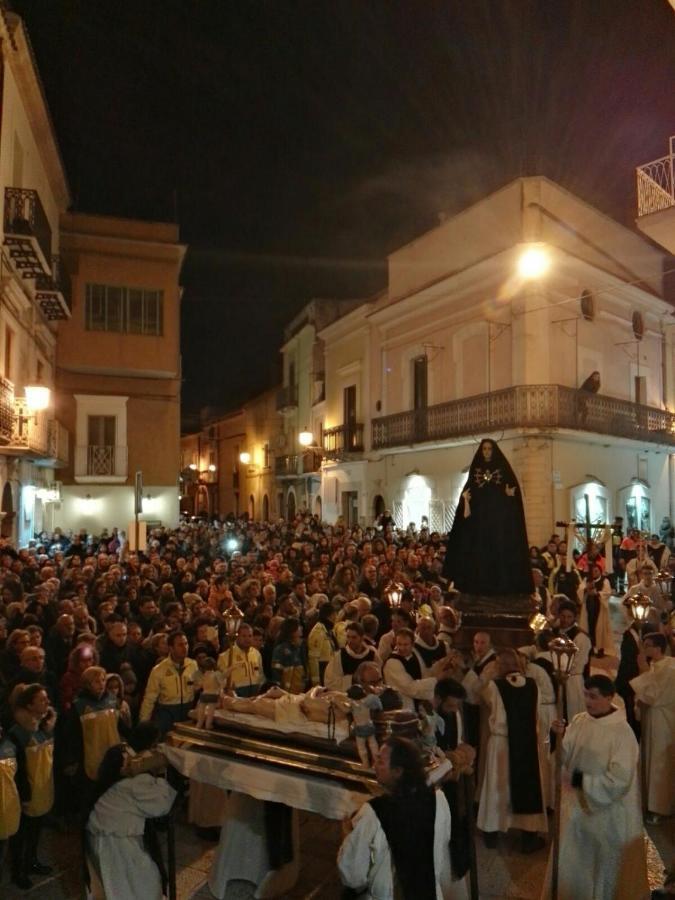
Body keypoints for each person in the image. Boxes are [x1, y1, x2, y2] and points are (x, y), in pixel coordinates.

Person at [542, 675, 649, 900]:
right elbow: (563, 755)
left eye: (594, 697)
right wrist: (556, 736)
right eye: (586, 695)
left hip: (605, 814)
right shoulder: (580, 720)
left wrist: (580, 780)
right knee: (573, 868)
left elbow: (619, 781)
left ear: (610, 697)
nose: (588, 701)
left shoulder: (622, 733)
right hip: (575, 810)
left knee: (598, 874)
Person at [338, 736, 456, 899]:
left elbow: (353, 876)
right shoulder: (439, 799)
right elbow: (442, 846)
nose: (374, 766)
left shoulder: (374, 812)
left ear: (398, 771)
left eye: (380, 762)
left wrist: (347, 836)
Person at [476, 648, 547, 853]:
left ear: (500, 666)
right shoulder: (534, 685)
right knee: (527, 785)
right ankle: (528, 836)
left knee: (496, 786)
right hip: (526, 744)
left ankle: (491, 832)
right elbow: (538, 713)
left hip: (500, 743)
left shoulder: (493, 686)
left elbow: (482, 698)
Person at [442, 438, 533, 596]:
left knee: (499, 556)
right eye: (484, 449)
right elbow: (467, 501)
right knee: (479, 557)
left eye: (489, 449)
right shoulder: (476, 470)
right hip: (479, 527)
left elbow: (512, 499)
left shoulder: (503, 470)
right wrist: (465, 500)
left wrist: (510, 496)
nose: (486, 452)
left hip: (499, 527)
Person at [86, 743, 176, 900]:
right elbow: (161, 804)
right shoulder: (131, 784)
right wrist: (161, 774)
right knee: (138, 881)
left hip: (107, 838)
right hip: (117, 843)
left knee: (117, 883)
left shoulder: (111, 783)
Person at [8, 684, 57, 889]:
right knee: (21, 836)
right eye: (41, 700)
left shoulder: (45, 725)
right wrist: (24, 795)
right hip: (26, 793)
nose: (47, 703)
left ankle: (32, 861)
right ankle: (18, 871)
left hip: (43, 789)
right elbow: (16, 768)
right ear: (29, 705)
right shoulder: (17, 733)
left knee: (36, 831)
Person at [629, 632, 675, 824]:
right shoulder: (655, 665)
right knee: (648, 759)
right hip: (651, 719)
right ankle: (647, 803)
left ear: (658, 647)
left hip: (663, 720)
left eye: (647, 645)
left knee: (659, 763)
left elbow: (652, 695)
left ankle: (660, 807)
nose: (644, 649)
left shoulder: (670, 667)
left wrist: (643, 670)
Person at [139, 631, 198, 734]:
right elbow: (149, 698)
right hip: (167, 714)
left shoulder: (193, 665)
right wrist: (143, 722)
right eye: (180, 645)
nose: (185, 648)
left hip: (188, 712)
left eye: (186, 643)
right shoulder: (159, 670)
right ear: (171, 648)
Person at [555, 602, 591, 720]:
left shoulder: (580, 637)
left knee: (572, 715)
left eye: (569, 617)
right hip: (556, 678)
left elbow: (579, 662)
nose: (565, 620)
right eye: (563, 616)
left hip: (572, 681)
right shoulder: (553, 632)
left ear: (575, 617)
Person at [324, 621, 381, 692]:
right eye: (348, 637)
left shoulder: (372, 655)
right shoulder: (340, 656)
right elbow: (330, 682)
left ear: (362, 638)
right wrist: (352, 679)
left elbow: (379, 679)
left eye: (354, 637)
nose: (350, 641)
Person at [217, 622, 265, 697]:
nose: (247, 639)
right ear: (237, 637)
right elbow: (220, 679)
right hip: (236, 696)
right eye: (244, 636)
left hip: (256, 695)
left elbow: (261, 675)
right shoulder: (226, 656)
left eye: (250, 636)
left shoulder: (256, 654)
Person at [577, 564, 614, 657]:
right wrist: (586, 589)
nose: (594, 573)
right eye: (592, 571)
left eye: (596, 571)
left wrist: (597, 593)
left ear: (600, 571)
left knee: (600, 629)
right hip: (588, 608)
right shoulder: (587, 580)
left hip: (599, 608)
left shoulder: (604, 581)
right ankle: (590, 649)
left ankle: (600, 649)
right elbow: (580, 590)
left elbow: (607, 592)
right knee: (589, 627)